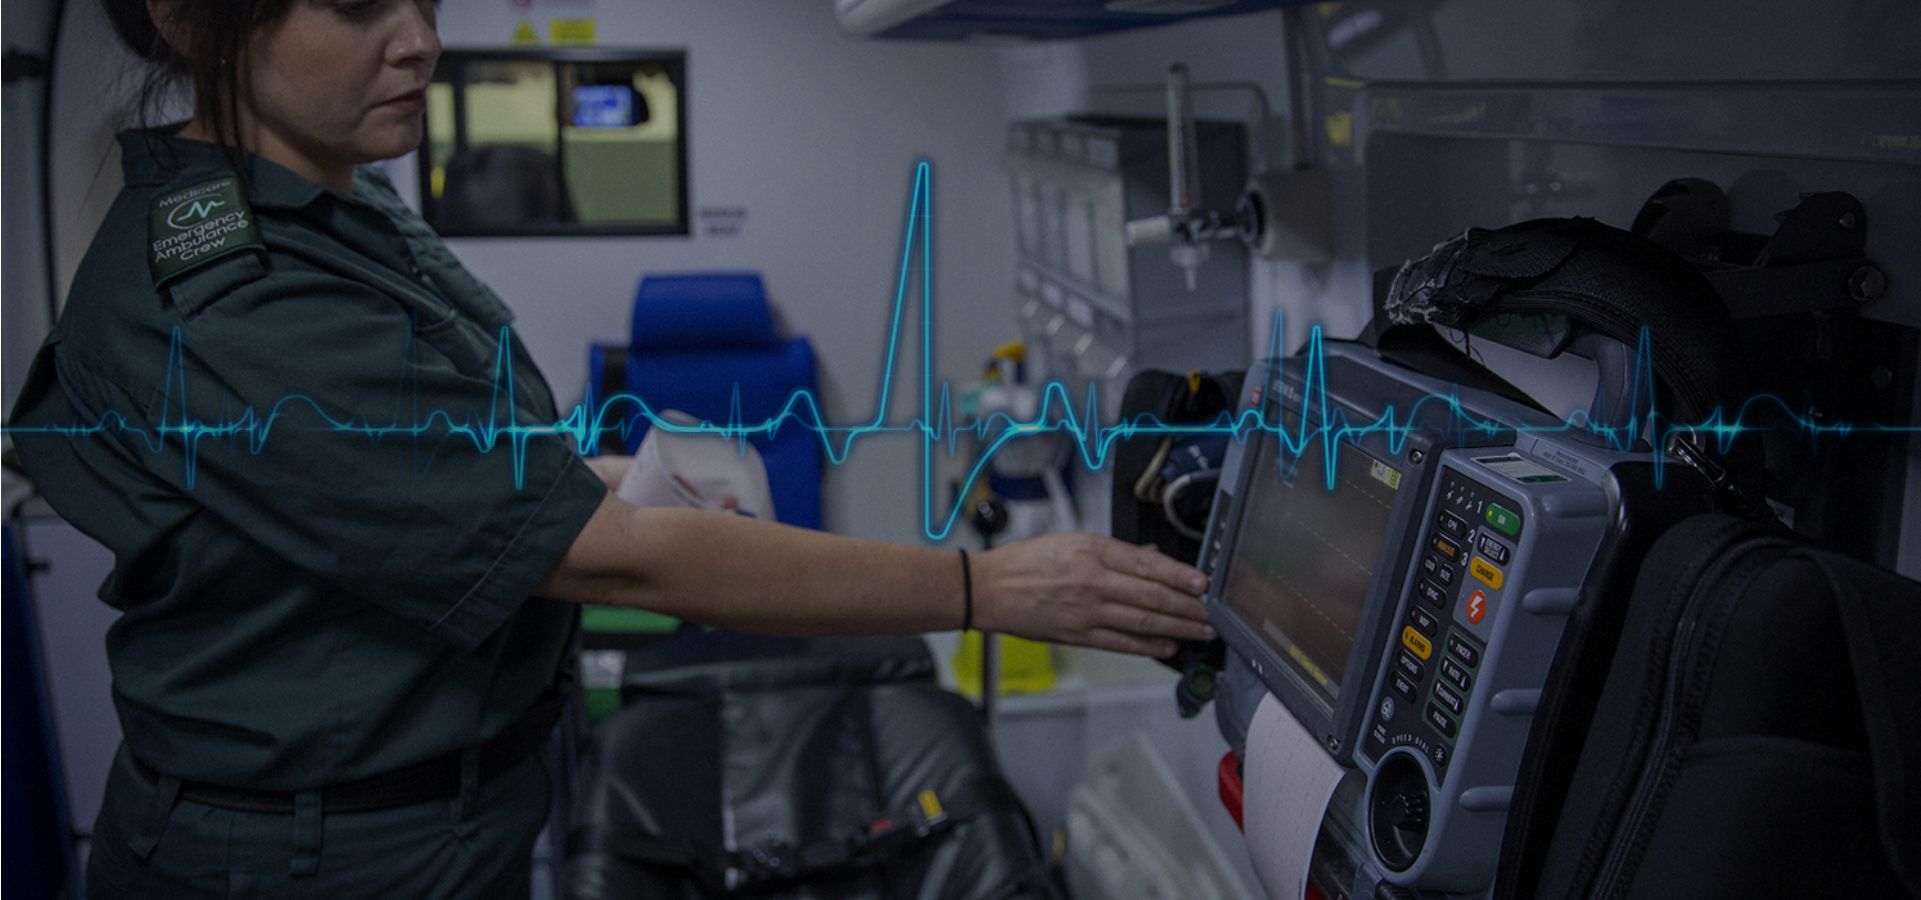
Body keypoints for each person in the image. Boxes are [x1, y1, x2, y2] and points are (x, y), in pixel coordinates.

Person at [5, 0, 1214, 896]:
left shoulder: (335, 204)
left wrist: (601, 475)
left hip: (429, 819)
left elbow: (401, 478)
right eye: (362, 4)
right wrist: (984, 586)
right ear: (189, 18)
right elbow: (615, 566)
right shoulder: (236, 291)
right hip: (306, 856)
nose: (422, 38)